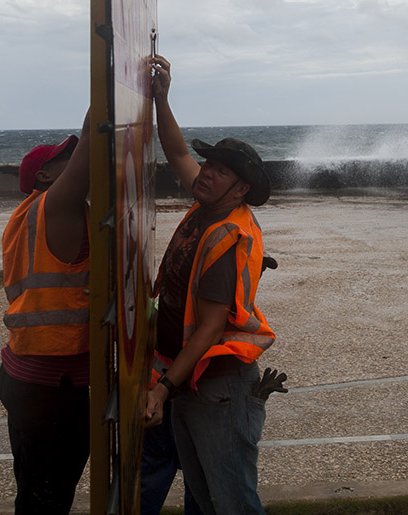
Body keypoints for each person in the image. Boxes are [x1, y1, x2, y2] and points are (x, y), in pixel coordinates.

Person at [142, 55, 282, 515]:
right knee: (205, 498)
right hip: (195, 381)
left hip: (217, 388)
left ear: (240, 190)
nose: (206, 172)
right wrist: (162, 99)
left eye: (220, 171)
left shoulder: (228, 235)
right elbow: (178, 153)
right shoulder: (209, 204)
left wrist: (163, 388)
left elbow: (209, 327)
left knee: (232, 502)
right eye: (210, 164)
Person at [0, 110, 92, 515]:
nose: (74, 160)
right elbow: (92, 147)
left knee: (37, 491)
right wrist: (112, 84)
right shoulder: (54, 208)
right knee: (48, 498)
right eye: (64, 158)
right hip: (51, 383)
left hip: (29, 372)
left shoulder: (28, 213)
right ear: (45, 176)